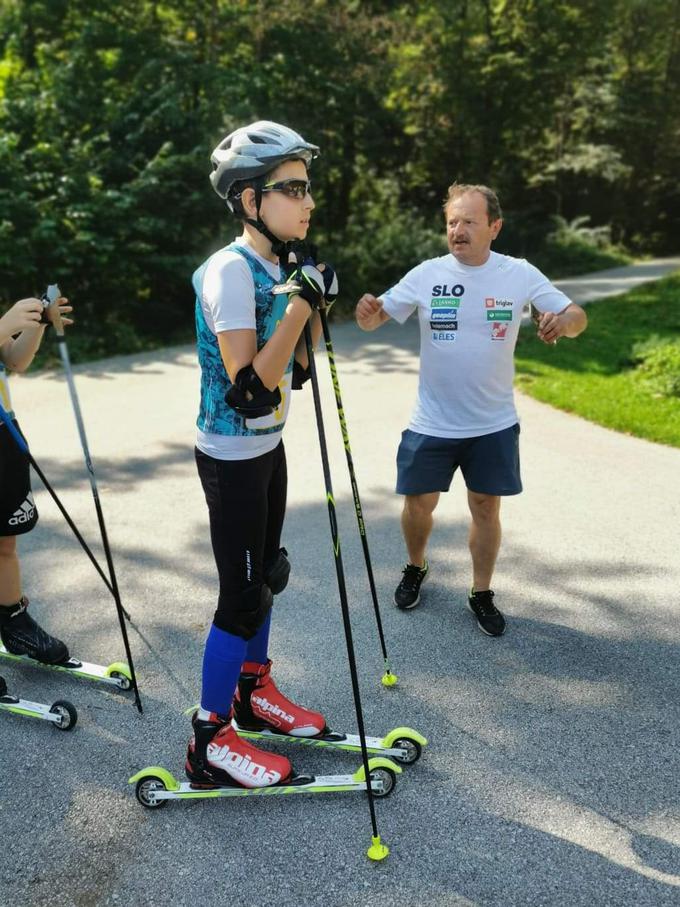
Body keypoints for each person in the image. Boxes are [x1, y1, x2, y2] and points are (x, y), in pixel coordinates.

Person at [355, 183, 587, 636]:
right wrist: (367, 313)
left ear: (494, 227)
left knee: (485, 507)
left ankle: (481, 592)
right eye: (451, 223)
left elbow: (577, 315)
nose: (457, 231)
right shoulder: (426, 274)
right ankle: (415, 567)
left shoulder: (518, 273)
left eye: (468, 222)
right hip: (432, 421)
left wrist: (564, 321)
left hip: (492, 423)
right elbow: (376, 317)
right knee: (418, 504)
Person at [185, 120, 337, 789]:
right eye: (292, 187)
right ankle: (210, 738)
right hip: (233, 453)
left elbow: (294, 373)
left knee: (266, 571)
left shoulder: (277, 267)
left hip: (266, 450)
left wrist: (309, 306)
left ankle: (253, 689)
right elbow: (250, 388)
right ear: (251, 200)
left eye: (308, 187)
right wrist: (303, 307)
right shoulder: (231, 271)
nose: (308, 200)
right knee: (240, 597)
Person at [0, 293, 74, 663]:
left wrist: (37, 324)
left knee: (5, 543)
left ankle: (14, 625)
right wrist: (6, 323)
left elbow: (14, 361)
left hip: (3, 431)